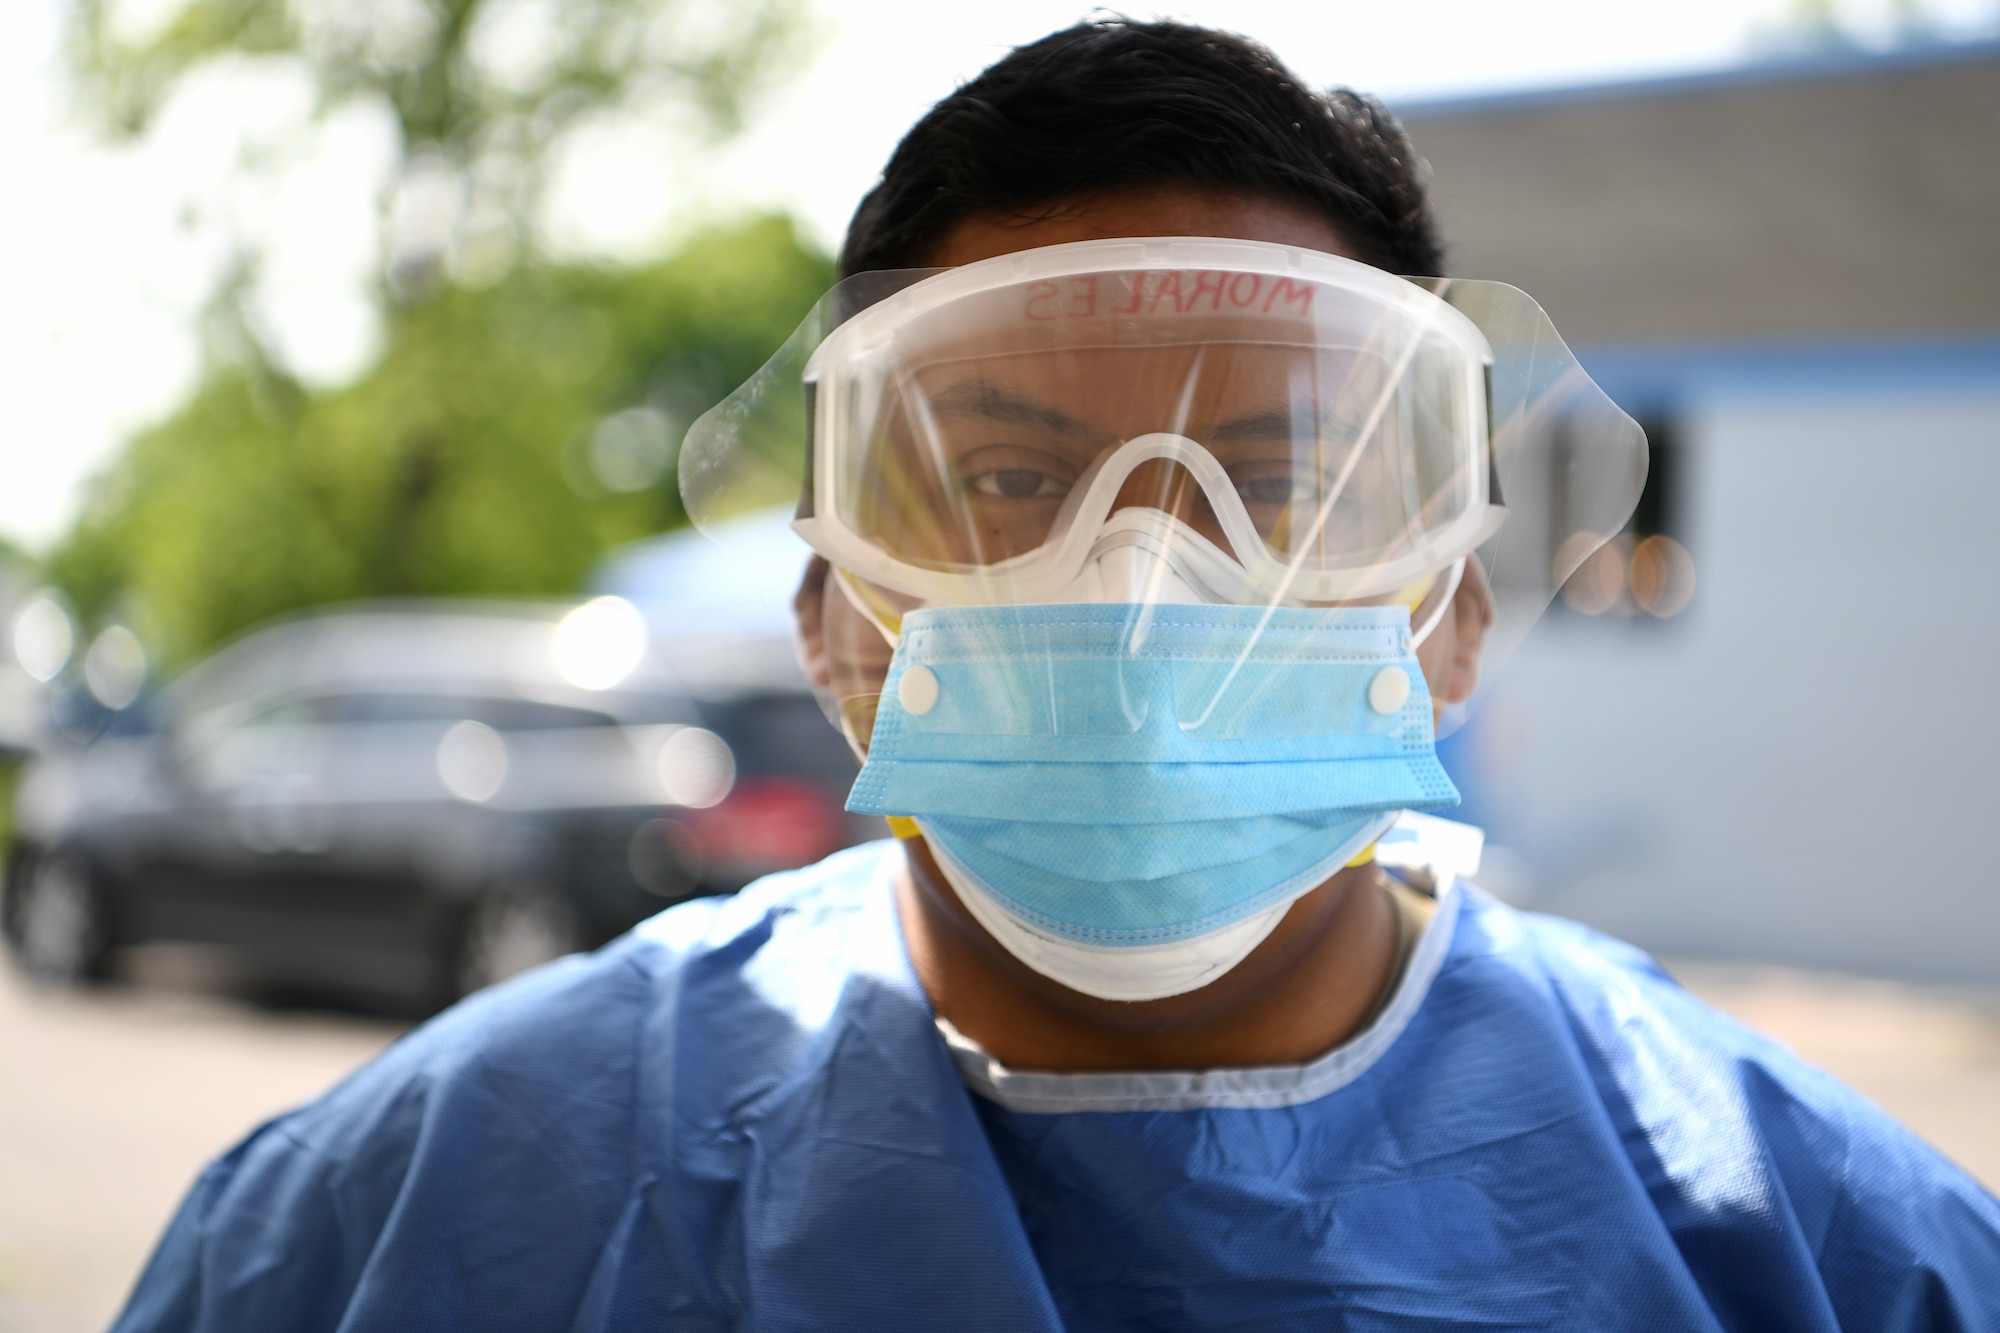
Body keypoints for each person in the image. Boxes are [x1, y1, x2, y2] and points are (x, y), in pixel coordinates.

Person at [115, 20, 2000, 1331]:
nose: (1142, 580)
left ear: (1455, 611)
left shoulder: (1832, 1256)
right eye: (1010, 479)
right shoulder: (409, 1216)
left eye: (1273, 485)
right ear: (830, 613)